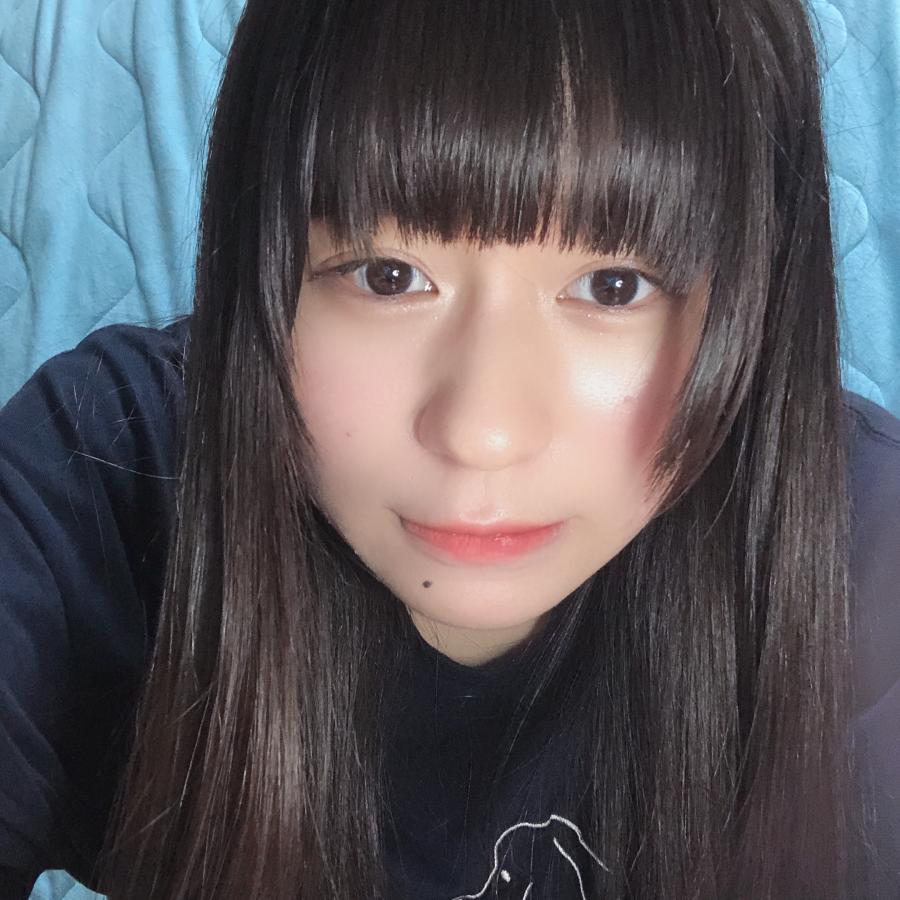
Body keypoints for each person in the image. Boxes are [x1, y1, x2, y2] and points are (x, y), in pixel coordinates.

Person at [1, 0, 899, 897]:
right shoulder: (101, 479)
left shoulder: (864, 552)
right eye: (387, 276)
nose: (482, 432)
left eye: (613, 286)